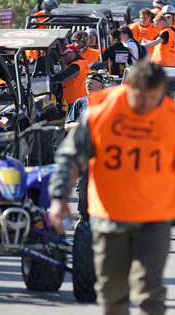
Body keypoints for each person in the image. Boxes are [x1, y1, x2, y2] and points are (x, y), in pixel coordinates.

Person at [48, 59, 175, 315]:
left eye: (153, 97)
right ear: (127, 86)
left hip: (156, 217)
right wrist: (59, 198)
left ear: (161, 92)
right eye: (139, 96)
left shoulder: (174, 118)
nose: (145, 104)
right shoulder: (101, 112)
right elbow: (69, 157)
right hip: (110, 216)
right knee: (110, 293)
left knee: (149, 289)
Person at [65, 71, 107, 223]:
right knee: (83, 185)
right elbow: (67, 126)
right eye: (86, 82)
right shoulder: (80, 103)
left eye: (91, 83)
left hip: (105, 151)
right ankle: (84, 215)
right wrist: (84, 124)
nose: (88, 85)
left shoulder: (108, 102)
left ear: (100, 85)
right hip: (84, 151)